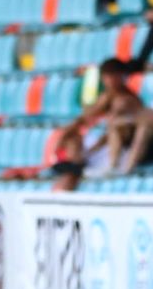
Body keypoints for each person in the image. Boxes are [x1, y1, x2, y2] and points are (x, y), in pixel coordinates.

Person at [50, 57, 147, 190]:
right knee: (72, 139)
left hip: (122, 150)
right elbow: (85, 117)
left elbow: (115, 133)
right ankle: (71, 169)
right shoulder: (107, 96)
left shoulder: (126, 100)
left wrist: (93, 148)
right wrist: (65, 135)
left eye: (112, 76)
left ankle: (71, 175)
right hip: (105, 146)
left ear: (121, 76)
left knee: (73, 170)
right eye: (106, 76)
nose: (109, 81)